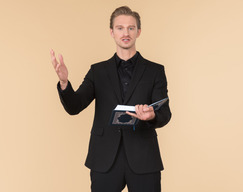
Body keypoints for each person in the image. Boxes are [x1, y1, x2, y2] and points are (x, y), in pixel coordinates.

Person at [51, 6, 172, 192]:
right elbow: (74, 106)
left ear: (138, 32)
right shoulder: (97, 71)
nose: (126, 33)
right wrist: (64, 82)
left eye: (131, 28)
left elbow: (164, 113)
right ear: (112, 32)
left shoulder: (155, 71)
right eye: (120, 28)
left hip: (144, 158)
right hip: (104, 158)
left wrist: (151, 116)